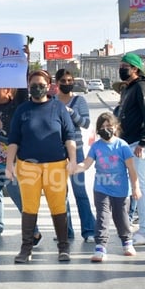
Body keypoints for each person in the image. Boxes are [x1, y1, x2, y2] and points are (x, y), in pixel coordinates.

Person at [6, 69, 78, 263]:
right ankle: (26, 248)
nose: (38, 88)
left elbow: (69, 136)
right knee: (29, 207)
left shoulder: (58, 108)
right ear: (29, 87)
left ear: (49, 86)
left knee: (58, 206)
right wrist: (9, 165)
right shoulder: (22, 109)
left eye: (41, 85)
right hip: (28, 166)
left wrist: (73, 160)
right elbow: (14, 140)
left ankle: (63, 247)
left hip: (56, 166)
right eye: (34, 85)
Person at [76, 112, 141, 262]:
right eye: (102, 127)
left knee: (121, 217)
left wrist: (136, 188)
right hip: (101, 188)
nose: (106, 129)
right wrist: (74, 168)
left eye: (108, 126)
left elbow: (131, 169)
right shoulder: (96, 146)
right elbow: (86, 164)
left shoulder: (122, 145)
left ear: (115, 127)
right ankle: (100, 247)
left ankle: (127, 242)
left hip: (121, 190)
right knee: (102, 217)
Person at [115, 52, 145, 246]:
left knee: (140, 185)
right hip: (126, 143)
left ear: (134, 69)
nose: (121, 68)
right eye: (121, 65)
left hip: (139, 144)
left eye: (125, 66)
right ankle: (128, 225)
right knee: (129, 186)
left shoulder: (142, 87)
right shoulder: (127, 89)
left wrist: (144, 142)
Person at [54, 69, 96, 243]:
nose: (67, 83)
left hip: (76, 151)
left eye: (70, 80)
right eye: (63, 80)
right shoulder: (52, 102)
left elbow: (86, 123)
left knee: (79, 191)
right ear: (57, 83)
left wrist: (72, 113)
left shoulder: (79, 101)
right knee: (60, 193)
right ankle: (65, 231)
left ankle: (89, 230)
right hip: (56, 151)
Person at [0, 85, 27, 243]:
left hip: (11, 163)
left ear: (8, 90)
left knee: (19, 197)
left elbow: (22, 131)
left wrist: (4, 128)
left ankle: (33, 230)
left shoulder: (18, 107)